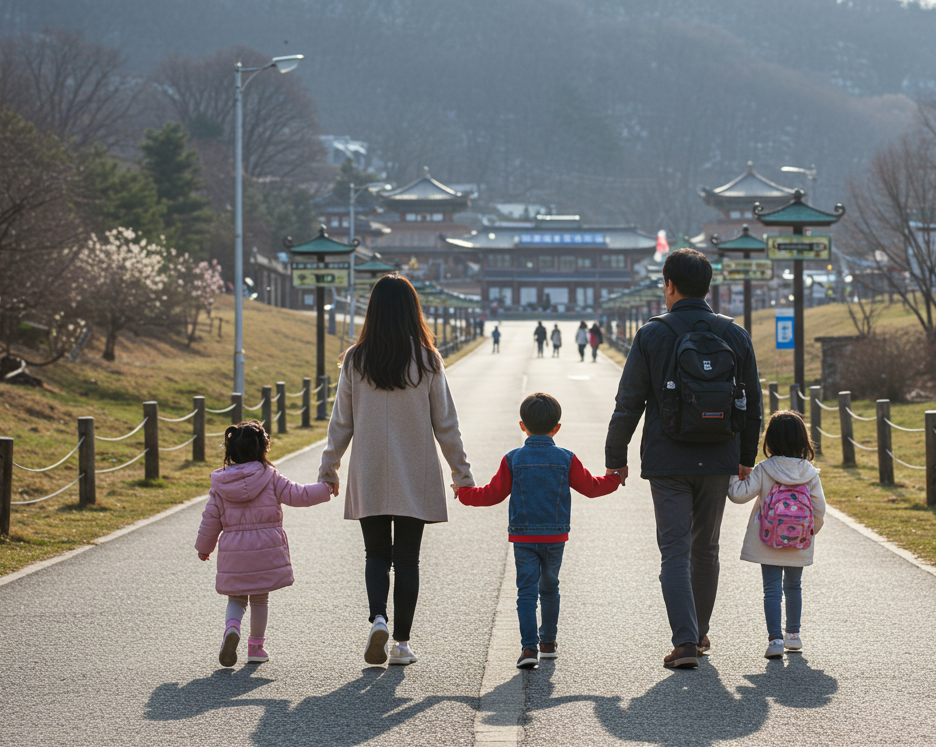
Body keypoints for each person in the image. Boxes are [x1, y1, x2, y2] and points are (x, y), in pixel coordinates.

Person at [604, 248, 762, 669]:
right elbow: (752, 404)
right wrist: (745, 457)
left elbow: (628, 403)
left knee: (674, 550)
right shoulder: (734, 334)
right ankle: (700, 632)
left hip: (668, 459)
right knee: (706, 548)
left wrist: (615, 457)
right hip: (718, 456)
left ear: (669, 286)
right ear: (708, 286)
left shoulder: (653, 334)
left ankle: (685, 641)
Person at [318, 275, 473, 667]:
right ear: (412, 311)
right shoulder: (427, 359)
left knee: (375, 554)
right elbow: (446, 424)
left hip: (369, 469)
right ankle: (401, 644)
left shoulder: (356, 359)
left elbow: (341, 422)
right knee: (407, 559)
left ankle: (378, 619)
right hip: (414, 471)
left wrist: (329, 467)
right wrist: (461, 475)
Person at [455, 393, 622, 669]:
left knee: (526, 592)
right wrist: (614, 479)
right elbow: (591, 487)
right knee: (550, 587)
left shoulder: (513, 459)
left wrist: (464, 493)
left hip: (523, 536)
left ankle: (529, 649)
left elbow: (492, 494)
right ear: (557, 428)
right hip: (555, 536)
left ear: (523, 426)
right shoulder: (566, 459)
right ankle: (549, 643)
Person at [196, 421, 335, 667]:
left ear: (231, 451)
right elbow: (299, 494)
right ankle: (256, 648)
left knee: (236, 599)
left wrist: (204, 548)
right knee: (260, 599)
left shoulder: (220, 484)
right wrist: (325, 489)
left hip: (234, 552)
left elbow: (211, 518)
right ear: (263, 450)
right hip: (265, 551)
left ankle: (232, 628)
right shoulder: (270, 477)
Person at [727, 411, 826, 659]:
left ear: (770, 440)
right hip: (798, 544)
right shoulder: (810, 473)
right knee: (794, 586)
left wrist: (731, 472)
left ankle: (775, 640)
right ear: (803, 439)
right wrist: (805, 535)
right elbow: (820, 510)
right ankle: (793, 635)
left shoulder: (765, 469)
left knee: (772, 589)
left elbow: (738, 495)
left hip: (767, 541)